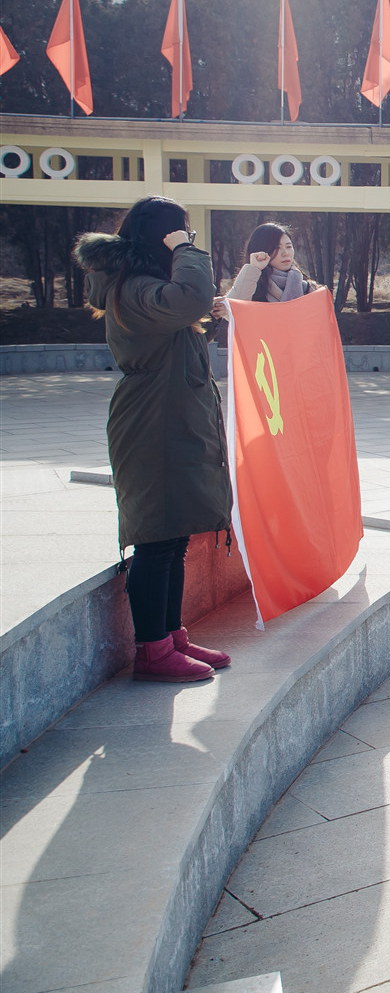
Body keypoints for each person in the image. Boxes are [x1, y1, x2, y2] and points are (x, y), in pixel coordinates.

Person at [74, 197, 233, 682]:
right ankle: (151, 651)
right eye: (180, 233)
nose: (185, 240)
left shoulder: (141, 287)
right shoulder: (135, 287)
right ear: (162, 237)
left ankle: (171, 637)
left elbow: (180, 331)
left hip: (170, 418)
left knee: (174, 533)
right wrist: (187, 251)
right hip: (152, 424)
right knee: (156, 538)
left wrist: (210, 317)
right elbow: (188, 299)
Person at [225, 222, 319, 302]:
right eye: (277, 248)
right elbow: (233, 307)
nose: (285, 253)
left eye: (288, 247)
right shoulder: (252, 286)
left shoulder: (308, 288)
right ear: (262, 250)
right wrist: (254, 268)